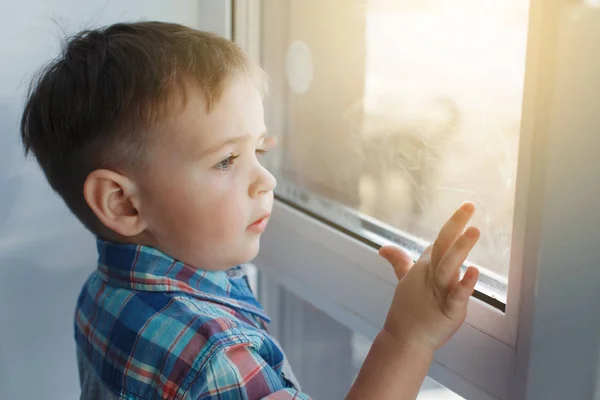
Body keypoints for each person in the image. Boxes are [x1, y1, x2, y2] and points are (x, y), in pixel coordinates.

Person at [20, 21, 480, 399]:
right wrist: (408, 337)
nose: (267, 180)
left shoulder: (101, 292)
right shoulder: (219, 361)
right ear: (121, 202)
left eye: (259, 148)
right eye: (226, 160)